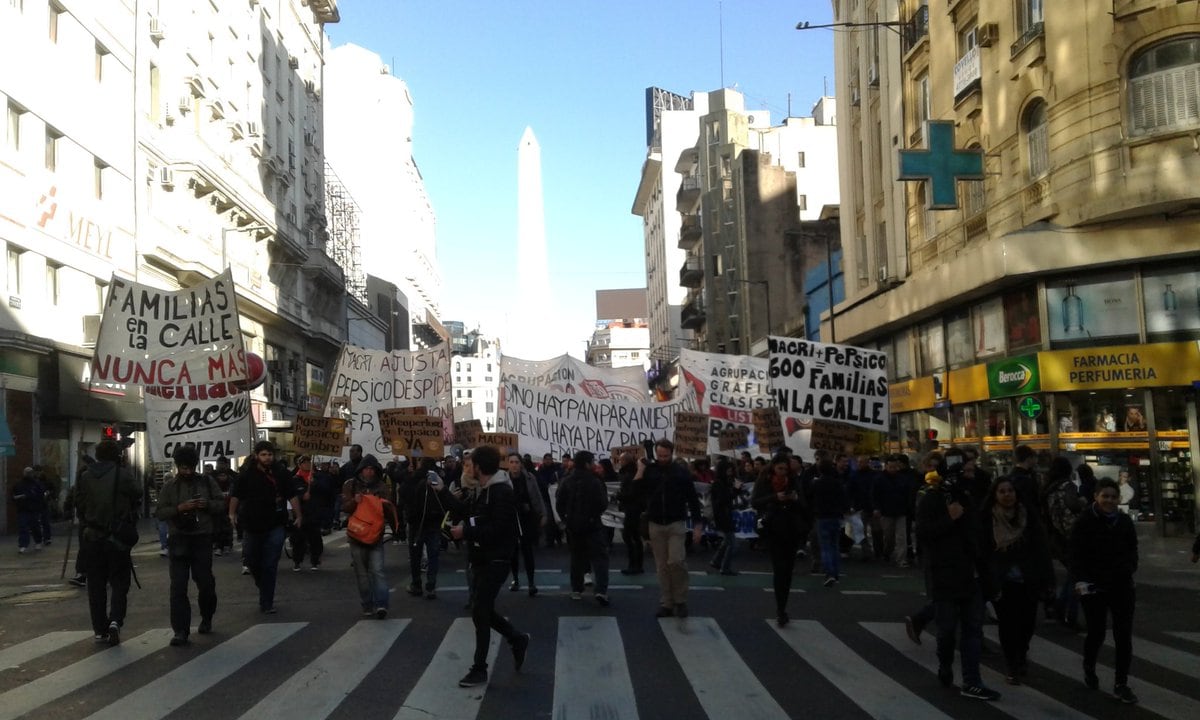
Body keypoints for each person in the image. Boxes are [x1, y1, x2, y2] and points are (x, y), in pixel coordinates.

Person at [444, 445, 530, 688]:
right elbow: (471, 514)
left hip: (496, 559)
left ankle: (480, 668)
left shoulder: (500, 492)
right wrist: (443, 492)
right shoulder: (485, 490)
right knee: (482, 610)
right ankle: (516, 638)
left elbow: (500, 528)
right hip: (483, 558)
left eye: (471, 464)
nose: (468, 468)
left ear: (480, 467)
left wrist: (466, 531)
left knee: (481, 611)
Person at [915, 468, 1001, 701]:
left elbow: (981, 537)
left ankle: (972, 680)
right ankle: (945, 664)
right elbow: (923, 532)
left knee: (973, 630)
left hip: (970, 574)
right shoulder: (932, 498)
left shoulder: (971, 499)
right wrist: (948, 518)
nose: (970, 475)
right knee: (947, 631)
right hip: (945, 574)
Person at [979, 475, 1055, 684]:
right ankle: (1013, 663)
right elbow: (982, 552)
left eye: (1010, 491)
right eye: (1002, 491)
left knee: (1027, 623)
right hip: (1002, 580)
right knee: (1007, 624)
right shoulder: (987, 518)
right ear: (995, 495)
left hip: (1027, 577)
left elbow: (1041, 548)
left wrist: (1047, 579)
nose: (1007, 495)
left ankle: (1021, 653)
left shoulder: (1027, 515)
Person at [1071, 477, 1139, 704]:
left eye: (1113, 497)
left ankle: (1121, 683)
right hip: (1095, 586)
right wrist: (1082, 581)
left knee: (1123, 635)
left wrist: (1128, 569)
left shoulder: (1124, 522)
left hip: (1121, 585)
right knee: (1097, 631)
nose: (1109, 500)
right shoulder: (1084, 522)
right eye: (1105, 496)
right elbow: (1077, 555)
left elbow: (1132, 550)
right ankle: (1089, 666)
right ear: (1096, 497)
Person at [156, 444, 225, 646]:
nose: (187, 472)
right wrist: (179, 508)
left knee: (205, 583)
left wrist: (207, 505)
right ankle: (180, 630)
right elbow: (160, 512)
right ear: (178, 467)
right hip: (179, 538)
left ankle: (207, 616)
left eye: (190, 468)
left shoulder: (206, 481)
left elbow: (221, 503)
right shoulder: (170, 486)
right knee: (178, 587)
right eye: (183, 468)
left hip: (202, 537)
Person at [75, 438, 140, 645]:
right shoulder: (122, 475)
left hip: (92, 537)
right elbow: (138, 492)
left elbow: (77, 503)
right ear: (117, 456)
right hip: (116, 537)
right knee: (120, 581)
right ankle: (115, 620)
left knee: (96, 585)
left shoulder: (85, 476)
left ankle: (100, 629)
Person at [230, 441, 300, 614]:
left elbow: (292, 495)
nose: (267, 458)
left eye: (269, 454)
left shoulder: (281, 473)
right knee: (252, 560)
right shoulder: (246, 475)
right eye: (263, 454)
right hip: (252, 525)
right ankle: (263, 585)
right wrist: (232, 513)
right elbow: (236, 496)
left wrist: (299, 515)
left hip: (275, 524)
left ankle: (266, 601)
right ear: (256, 456)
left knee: (270, 563)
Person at [635, 438, 702, 618]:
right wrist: (640, 471)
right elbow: (635, 492)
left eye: (666, 455)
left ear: (672, 453)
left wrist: (697, 525)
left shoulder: (681, 473)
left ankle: (680, 600)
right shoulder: (649, 470)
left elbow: (693, 499)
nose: (662, 458)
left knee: (676, 561)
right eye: (660, 455)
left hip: (675, 522)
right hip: (655, 523)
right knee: (662, 566)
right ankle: (667, 602)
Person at [752, 454, 808, 626]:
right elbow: (755, 502)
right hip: (774, 529)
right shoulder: (765, 481)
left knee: (787, 571)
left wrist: (795, 499)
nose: (783, 472)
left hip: (791, 529)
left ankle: (782, 606)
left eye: (786, 469)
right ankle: (780, 609)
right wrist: (775, 498)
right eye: (780, 469)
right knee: (779, 569)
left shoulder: (793, 481)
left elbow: (804, 505)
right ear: (774, 467)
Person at [342, 454, 399, 618]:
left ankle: (381, 604)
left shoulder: (381, 487)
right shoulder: (351, 485)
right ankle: (367, 603)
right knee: (362, 573)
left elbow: (389, 509)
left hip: (375, 535)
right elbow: (345, 507)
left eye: (372, 469)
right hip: (357, 535)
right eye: (367, 468)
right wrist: (355, 501)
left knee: (378, 570)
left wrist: (382, 504)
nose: (369, 472)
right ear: (361, 469)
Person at [556, 450, 611, 606]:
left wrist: (566, 520)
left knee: (576, 558)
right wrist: (593, 516)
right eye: (592, 462)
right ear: (587, 464)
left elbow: (559, 503)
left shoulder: (567, 480)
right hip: (593, 525)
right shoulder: (595, 480)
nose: (594, 464)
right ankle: (601, 590)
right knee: (600, 558)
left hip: (573, 526)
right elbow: (602, 503)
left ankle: (576, 589)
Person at [400, 457, 447, 599]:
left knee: (415, 556)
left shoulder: (412, 478)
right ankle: (431, 585)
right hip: (433, 521)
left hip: (416, 522)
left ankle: (416, 584)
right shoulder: (436, 478)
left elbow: (403, 495)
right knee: (433, 555)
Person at [506, 452, 546, 596]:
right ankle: (516, 579)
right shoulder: (504, 480)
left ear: (521, 464)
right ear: (508, 464)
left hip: (527, 518)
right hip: (511, 519)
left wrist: (542, 513)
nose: (514, 465)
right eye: (511, 462)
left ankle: (531, 582)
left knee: (528, 550)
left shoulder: (529, 478)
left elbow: (537, 496)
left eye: (517, 462)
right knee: (513, 552)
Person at [811, 458, 850, 587]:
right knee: (834, 546)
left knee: (825, 546)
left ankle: (829, 573)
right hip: (835, 516)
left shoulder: (816, 483)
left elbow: (810, 498)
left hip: (822, 516)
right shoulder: (837, 483)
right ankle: (835, 573)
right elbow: (844, 499)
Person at [290, 456, 324, 571]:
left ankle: (315, 560)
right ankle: (297, 561)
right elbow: (291, 495)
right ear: (299, 465)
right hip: (301, 513)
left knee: (315, 539)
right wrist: (301, 496)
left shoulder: (317, 477)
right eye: (304, 462)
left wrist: (315, 484)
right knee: (298, 539)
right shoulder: (295, 479)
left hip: (314, 513)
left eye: (309, 462)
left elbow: (327, 491)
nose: (307, 464)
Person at [615, 451, 647, 575]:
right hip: (634, 507)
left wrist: (619, 496)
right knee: (634, 536)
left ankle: (634, 565)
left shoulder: (629, 474)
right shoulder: (631, 472)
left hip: (632, 508)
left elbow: (631, 492)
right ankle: (637, 564)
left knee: (630, 536)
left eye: (621, 460)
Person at [708, 458, 741, 576]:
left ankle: (716, 561)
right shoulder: (719, 484)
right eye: (728, 470)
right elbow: (723, 499)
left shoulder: (723, 482)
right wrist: (735, 490)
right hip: (722, 515)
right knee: (732, 543)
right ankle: (725, 567)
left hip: (724, 514)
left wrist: (736, 489)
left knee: (727, 541)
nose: (730, 472)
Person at [12, 466, 47, 553]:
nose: (28, 474)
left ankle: (38, 542)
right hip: (23, 509)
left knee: (35, 527)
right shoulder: (19, 484)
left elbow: (40, 496)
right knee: (23, 527)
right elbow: (13, 495)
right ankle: (23, 545)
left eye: (29, 472)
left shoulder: (36, 484)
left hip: (33, 509)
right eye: (27, 472)